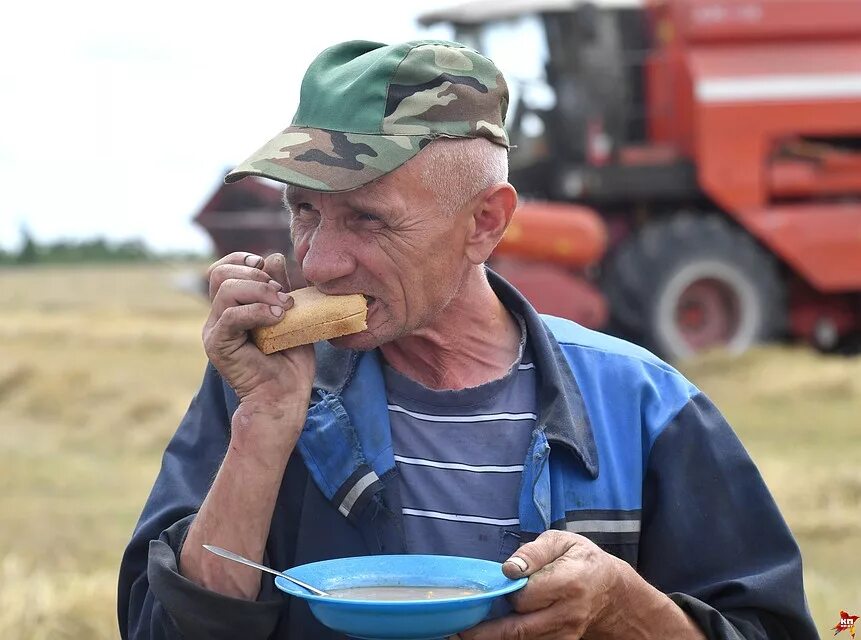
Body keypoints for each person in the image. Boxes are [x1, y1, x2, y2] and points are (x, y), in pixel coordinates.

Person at [118, 39, 817, 640]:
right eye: (304, 210)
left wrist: (625, 609)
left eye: (367, 219)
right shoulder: (262, 385)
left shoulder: (643, 406)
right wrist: (263, 430)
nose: (319, 263)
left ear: (485, 222)